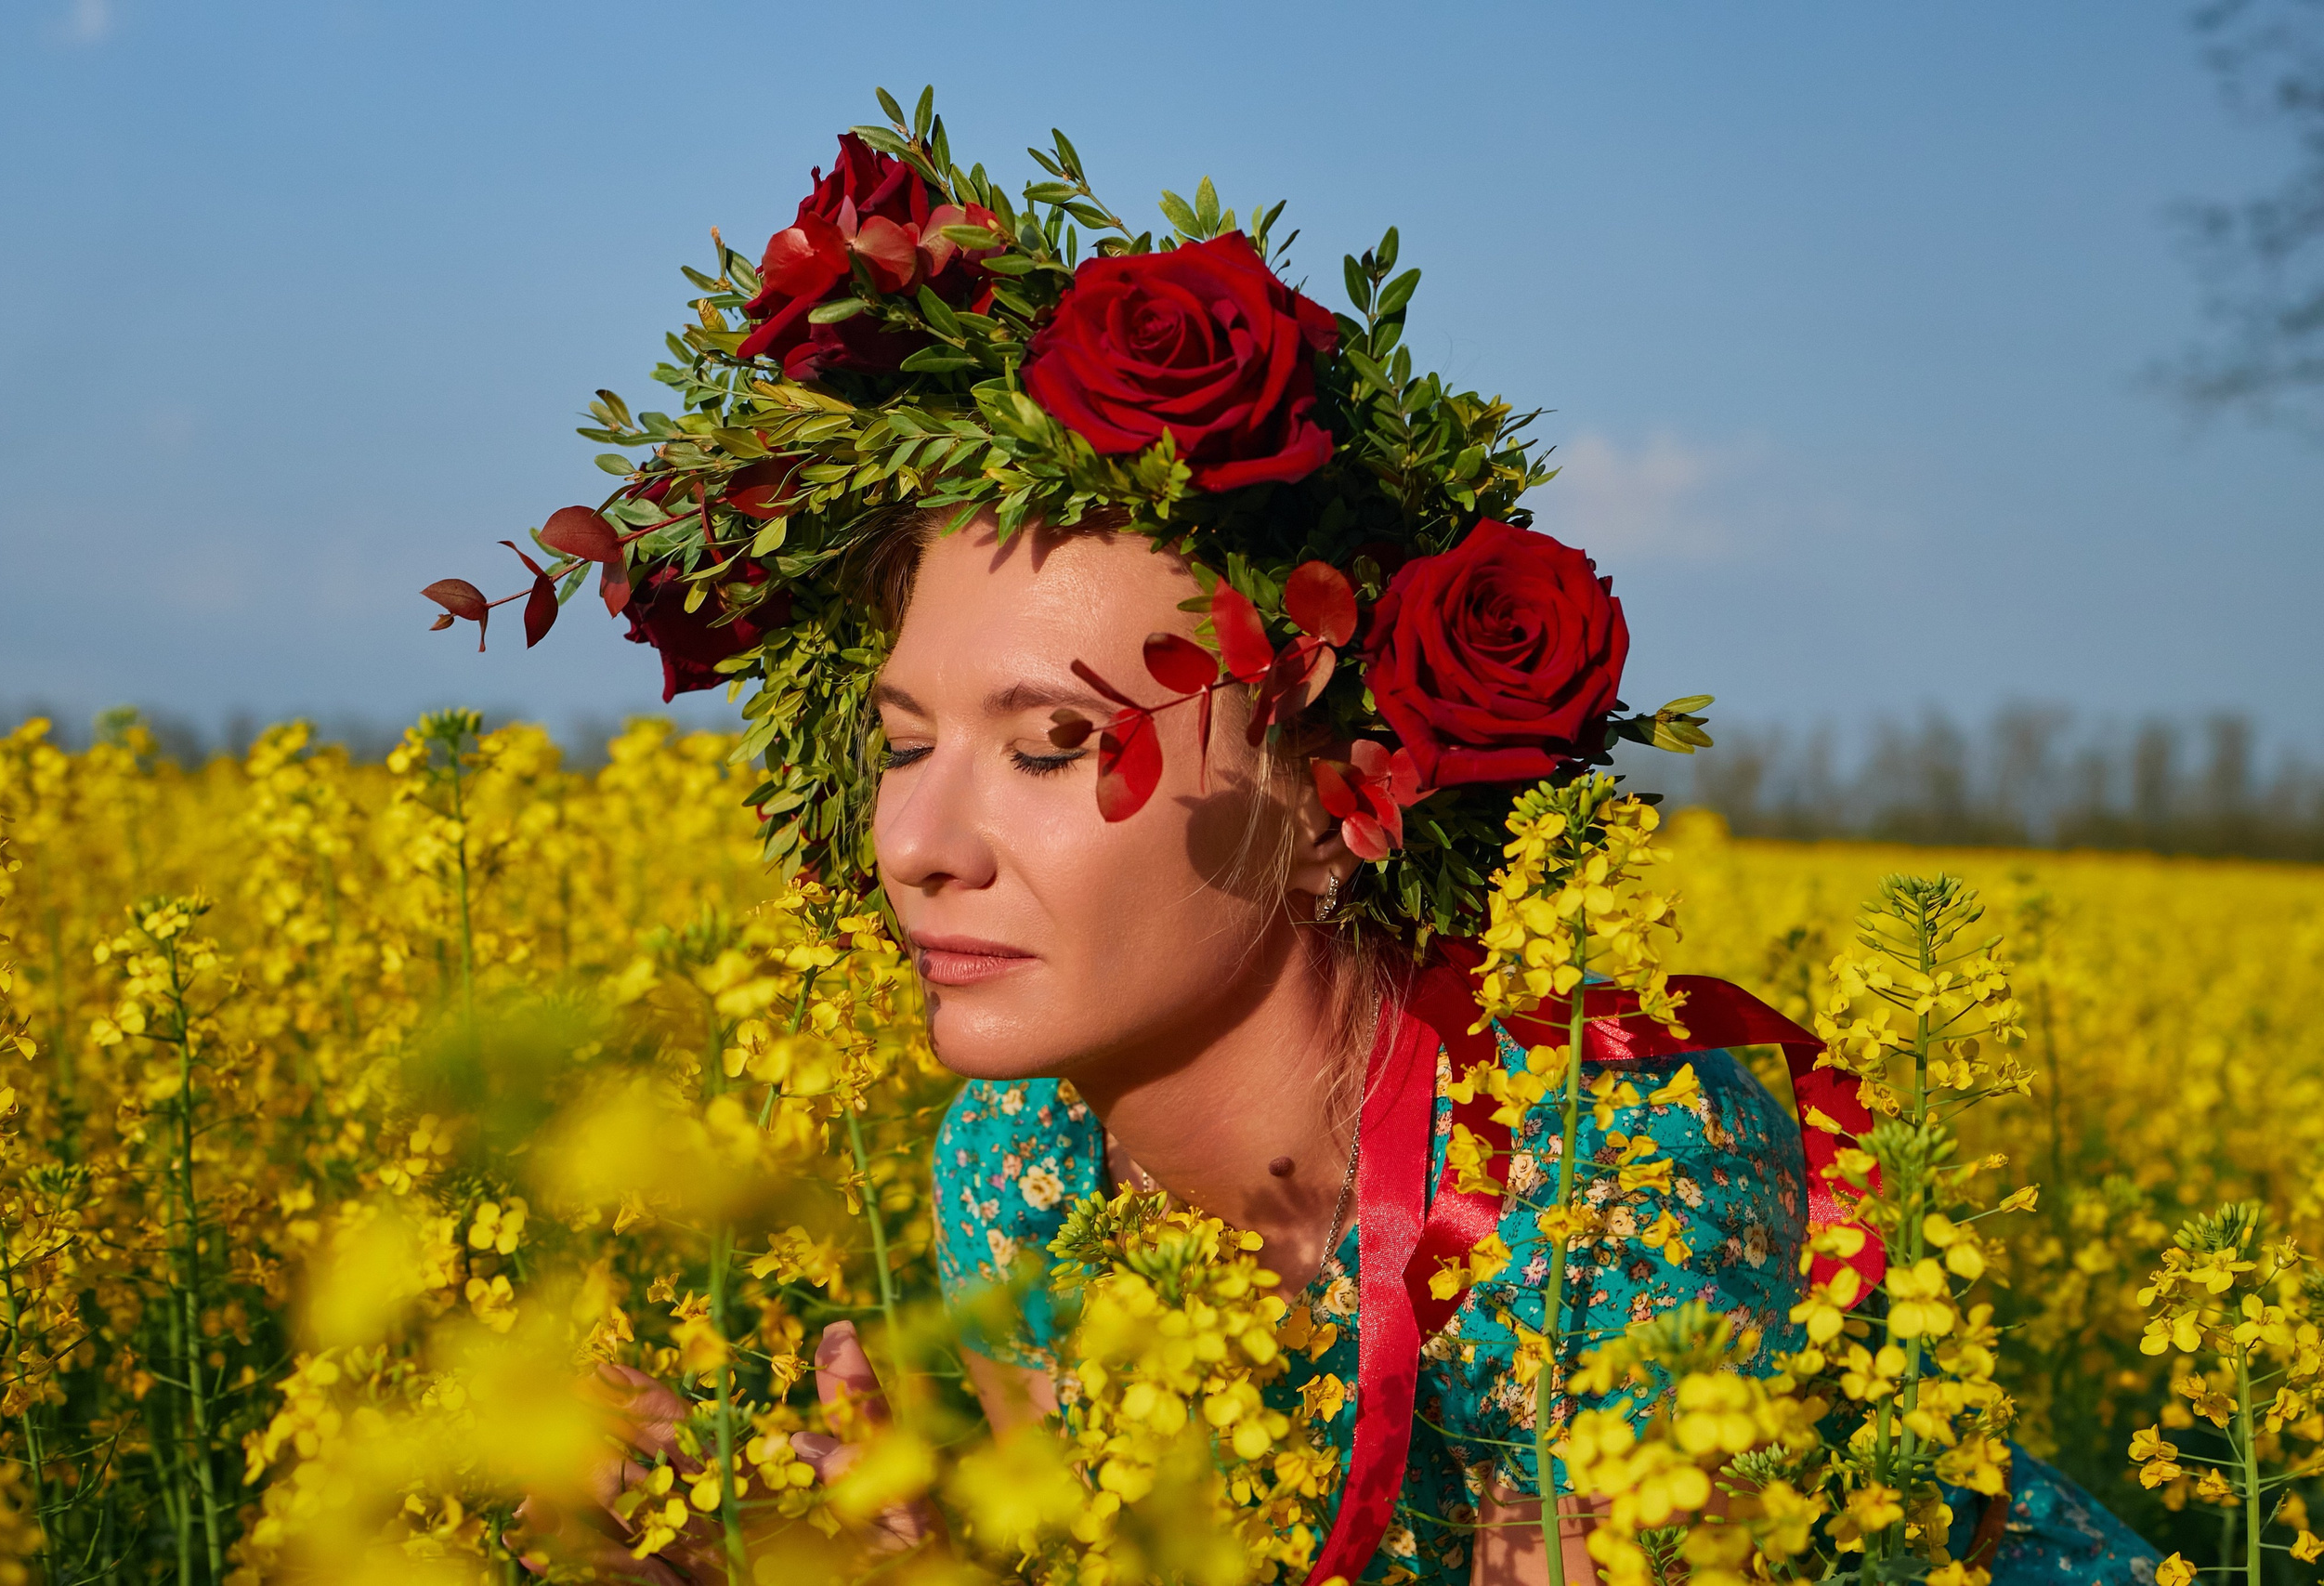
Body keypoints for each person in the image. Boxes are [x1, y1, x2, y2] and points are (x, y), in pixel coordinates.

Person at [457, 93, 2159, 1586]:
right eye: (904, 745)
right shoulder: (1007, 1171)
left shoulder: (1608, 1176)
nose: (917, 844)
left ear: (1346, 808)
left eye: (1054, 747)